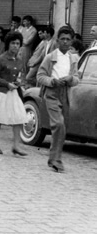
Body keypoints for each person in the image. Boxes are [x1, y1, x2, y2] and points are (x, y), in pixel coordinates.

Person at [36, 26, 80, 173]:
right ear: (57, 40)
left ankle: (55, 157)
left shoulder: (73, 58)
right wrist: (52, 81)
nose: (65, 42)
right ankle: (55, 160)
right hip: (52, 93)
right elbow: (40, 76)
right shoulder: (50, 57)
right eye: (63, 39)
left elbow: (77, 78)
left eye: (68, 39)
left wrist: (70, 79)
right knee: (58, 124)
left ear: (72, 41)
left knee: (62, 128)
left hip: (65, 93)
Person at [0, 31, 28, 156]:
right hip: (1, 92)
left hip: (13, 92)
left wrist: (19, 82)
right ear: (8, 44)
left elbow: (20, 75)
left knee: (19, 116)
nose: (15, 46)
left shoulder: (19, 60)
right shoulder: (0, 59)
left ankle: (16, 145)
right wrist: (7, 84)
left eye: (17, 43)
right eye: (13, 43)